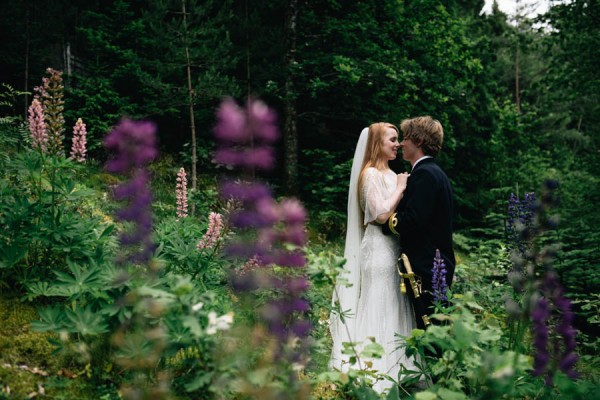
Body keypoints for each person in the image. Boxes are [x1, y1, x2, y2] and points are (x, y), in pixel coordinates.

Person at [329, 122, 416, 393]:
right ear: (377, 143)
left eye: (398, 140)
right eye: (392, 139)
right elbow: (379, 215)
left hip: (396, 249)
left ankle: (399, 368)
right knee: (380, 300)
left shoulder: (392, 174)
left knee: (396, 302)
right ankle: (373, 370)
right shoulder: (369, 175)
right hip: (378, 250)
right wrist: (401, 187)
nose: (398, 144)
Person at [382, 116, 456, 330]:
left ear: (419, 141)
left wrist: (385, 222)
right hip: (432, 268)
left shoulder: (425, 174)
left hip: (427, 270)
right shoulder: (433, 173)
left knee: (430, 333)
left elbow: (413, 219)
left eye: (406, 138)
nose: (402, 143)